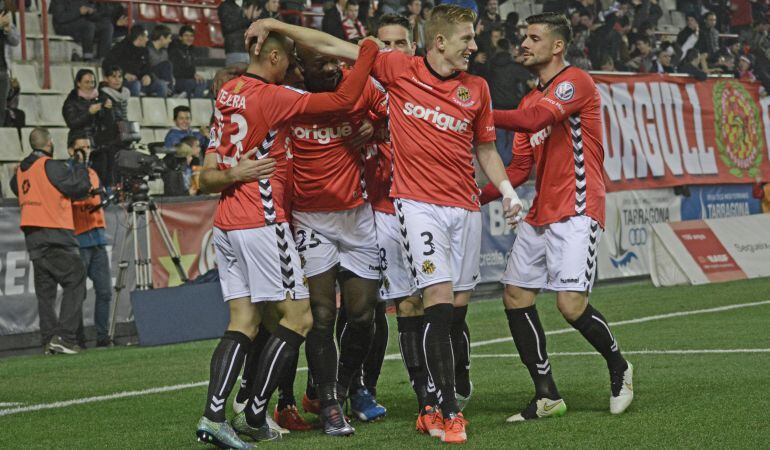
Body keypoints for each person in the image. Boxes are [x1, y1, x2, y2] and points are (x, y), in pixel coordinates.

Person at [245, 5, 522, 444]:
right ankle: (424, 405)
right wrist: (275, 24)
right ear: (439, 42)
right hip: (393, 209)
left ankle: (416, 389)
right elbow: (331, 46)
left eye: (399, 43)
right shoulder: (387, 73)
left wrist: (506, 190)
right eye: (467, 38)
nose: (474, 45)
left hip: (443, 209)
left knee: (428, 313)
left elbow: (482, 146)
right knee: (402, 305)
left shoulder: (470, 88)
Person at [194, 33, 381, 447]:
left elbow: (204, 177)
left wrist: (232, 174)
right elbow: (341, 100)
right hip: (262, 219)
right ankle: (255, 412)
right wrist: (368, 50)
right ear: (273, 56)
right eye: (289, 59)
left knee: (244, 321)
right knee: (300, 318)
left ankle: (214, 416)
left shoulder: (228, 93)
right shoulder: (273, 96)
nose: (291, 68)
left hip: (226, 220)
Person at [478, 12, 634, 422]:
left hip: (578, 206)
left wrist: (477, 113)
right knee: (515, 295)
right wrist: (474, 197)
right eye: (524, 37)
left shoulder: (575, 81)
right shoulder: (529, 100)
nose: (524, 44)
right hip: (541, 211)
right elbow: (519, 169)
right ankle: (546, 394)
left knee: (570, 304)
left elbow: (534, 121)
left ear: (558, 45)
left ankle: (619, 366)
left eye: (534, 37)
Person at [287, 45, 386, 429]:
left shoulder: (362, 87)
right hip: (311, 220)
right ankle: (328, 403)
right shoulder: (288, 97)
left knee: (362, 315)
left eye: (335, 61)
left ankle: (340, 387)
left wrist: (375, 127)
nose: (332, 68)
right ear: (301, 68)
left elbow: (396, 116)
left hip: (357, 217)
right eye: (321, 64)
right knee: (322, 315)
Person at [9, 128, 91, 355]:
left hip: (33, 236)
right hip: (54, 234)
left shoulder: (21, 170)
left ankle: (49, 340)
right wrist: (82, 165)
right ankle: (65, 337)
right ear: (49, 143)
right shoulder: (50, 165)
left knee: (45, 292)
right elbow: (79, 187)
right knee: (75, 277)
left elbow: (17, 188)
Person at [68, 131, 113, 348]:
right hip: (78, 238)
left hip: (98, 238)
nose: (85, 152)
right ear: (70, 150)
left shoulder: (92, 172)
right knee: (77, 293)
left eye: (88, 147)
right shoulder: (66, 173)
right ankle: (78, 339)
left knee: (105, 291)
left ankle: (102, 337)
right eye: (81, 148)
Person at [62, 69, 116, 186]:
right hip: (81, 141)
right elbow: (72, 122)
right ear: (78, 83)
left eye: (92, 82)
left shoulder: (101, 97)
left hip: (100, 142)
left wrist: (109, 109)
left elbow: (110, 122)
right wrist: (88, 112)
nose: (90, 85)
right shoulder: (71, 101)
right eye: (87, 82)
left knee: (106, 169)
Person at [102, 25, 168, 97]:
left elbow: (148, 67)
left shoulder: (145, 50)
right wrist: (124, 75)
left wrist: (148, 76)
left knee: (161, 85)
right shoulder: (120, 48)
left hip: (140, 82)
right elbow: (106, 64)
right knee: (135, 85)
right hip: (123, 82)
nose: (147, 39)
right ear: (139, 38)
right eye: (146, 37)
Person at [169, 26, 209, 98]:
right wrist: (192, 75)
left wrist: (194, 75)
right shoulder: (174, 50)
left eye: (191, 36)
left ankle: (197, 99)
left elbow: (191, 69)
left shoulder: (191, 50)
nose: (189, 38)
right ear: (180, 37)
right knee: (199, 83)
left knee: (213, 83)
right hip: (177, 81)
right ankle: (195, 102)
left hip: (189, 79)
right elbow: (176, 71)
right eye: (186, 35)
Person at [219, 0, 261, 66]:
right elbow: (228, 26)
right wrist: (248, 20)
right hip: (235, 49)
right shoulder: (225, 6)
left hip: (245, 50)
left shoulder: (238, 5)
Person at [0, 8, 19, 126]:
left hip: (3, 71)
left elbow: (16, 41)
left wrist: (8, 29)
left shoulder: (3, 16)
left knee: (1, 109)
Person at [147, 25, 174, 93]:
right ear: (162, 38)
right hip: (149, 79)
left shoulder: (164, 52)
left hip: (160, 80)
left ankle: (169, 89)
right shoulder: (147, 49)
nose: (170, 41)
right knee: (166, 64)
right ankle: (169, 89)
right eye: (169, 38)